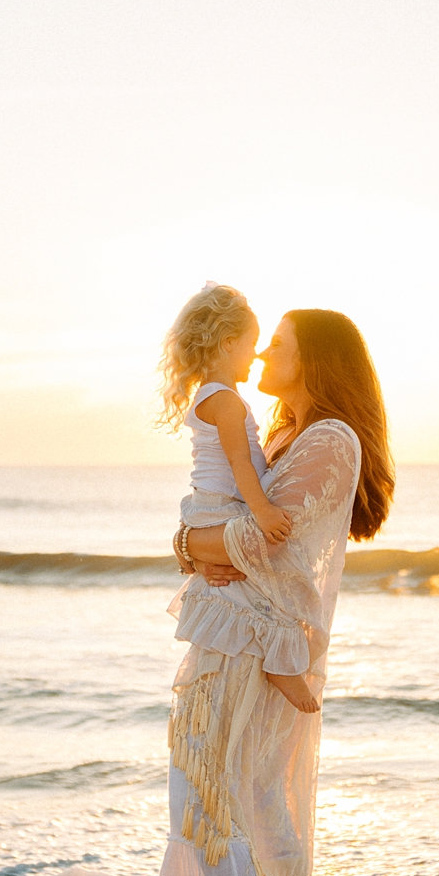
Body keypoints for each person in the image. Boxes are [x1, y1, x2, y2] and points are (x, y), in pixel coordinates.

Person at [149, 308, 394, 876]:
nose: (258, 360)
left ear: (314, 360)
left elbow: (265, 541)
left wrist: (194, 545)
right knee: (256, 790)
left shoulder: (328, 438)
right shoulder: (288, 435)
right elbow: (233, 523)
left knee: (218, 787)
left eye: (276, 347)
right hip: (247, 632)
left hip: (252, 639)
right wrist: (195, 542)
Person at [159, 282, 315, 713]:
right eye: (250, 344)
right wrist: (263, 511)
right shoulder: (226, 401)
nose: (256, 354)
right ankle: (279, 664)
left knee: (241, 588)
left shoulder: (216, 396)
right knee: (262, 592)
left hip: (210, 508)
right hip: (222, 506)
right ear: (228, 344)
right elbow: (240, 464)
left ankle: (276, 661)